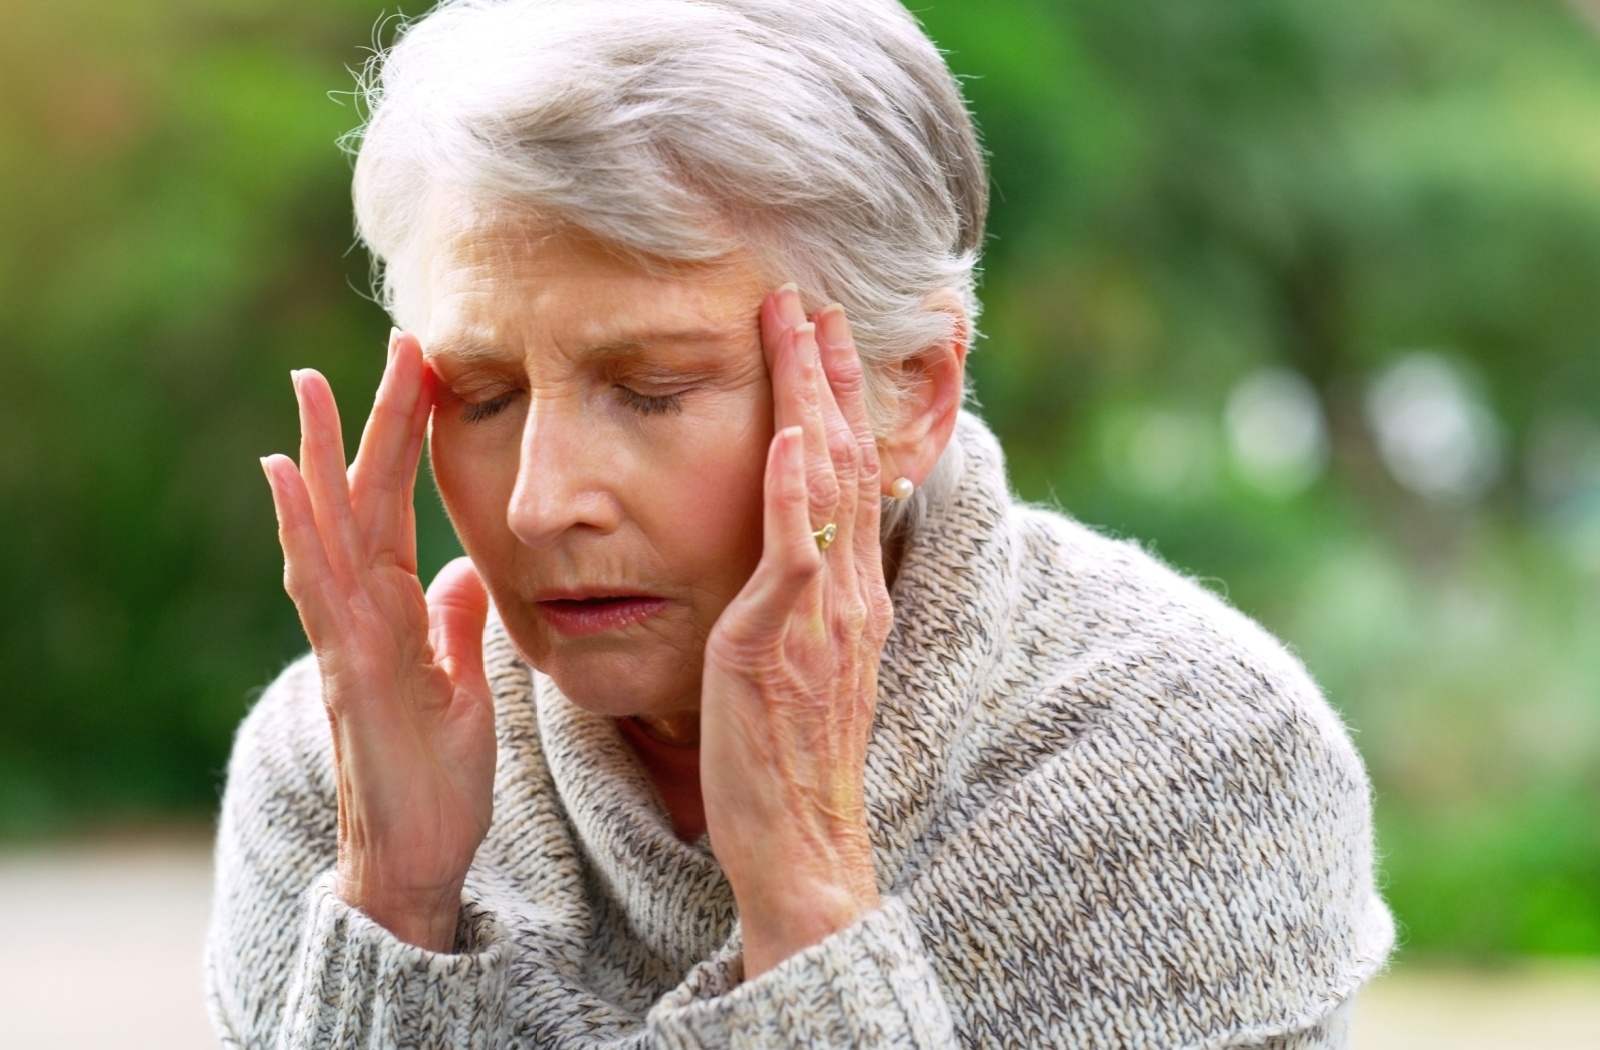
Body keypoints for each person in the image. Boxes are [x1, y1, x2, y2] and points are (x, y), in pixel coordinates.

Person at [205, 1, 1394, 1046]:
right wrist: (394, 903)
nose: (537, 499)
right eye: (483, 396)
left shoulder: (1190, 756)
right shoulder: (336, 757)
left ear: (911, 394)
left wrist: (808, 899)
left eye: (654, 389)